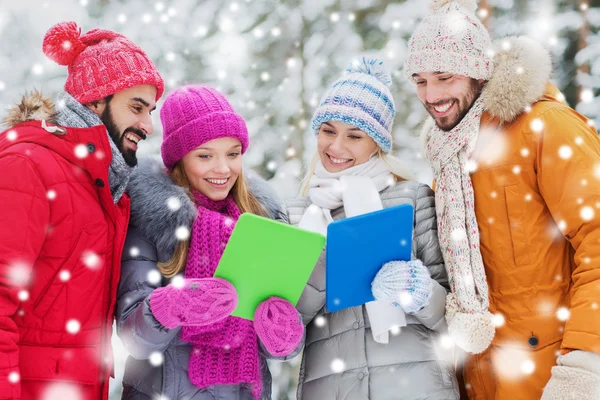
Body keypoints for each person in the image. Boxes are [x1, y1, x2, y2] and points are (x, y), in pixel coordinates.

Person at [404, 0, 600, 398]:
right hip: (483, 378)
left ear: (478, 72)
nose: (432, 95)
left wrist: (582, 365)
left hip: (550, 376)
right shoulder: (449, 156)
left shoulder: (544, 127)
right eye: (420, 80)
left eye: (445, 77)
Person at [0, 21, 163, 399]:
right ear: (93, 101)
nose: (148, 125)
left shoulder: (105, 188)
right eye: (136, 108)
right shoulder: (28, 167)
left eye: (151, 110)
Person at [116, 85, 304, 400]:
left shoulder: (262, 223)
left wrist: (283, 331)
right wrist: (174, 305)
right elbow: (133, 338)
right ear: (179, 159)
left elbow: (283, 351)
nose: (223, 169)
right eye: (205, 156)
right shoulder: (151, 223)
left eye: (232, 154)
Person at [286, 58, 459, 399]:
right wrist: (323, 268)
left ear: (376, 143)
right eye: (328, 131)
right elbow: (284, 338)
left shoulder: (412, 200)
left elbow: (452, 317)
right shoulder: (296, 215)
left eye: (354, 136)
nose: (336, 147)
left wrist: (419, 292)